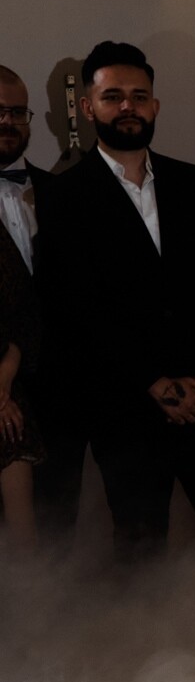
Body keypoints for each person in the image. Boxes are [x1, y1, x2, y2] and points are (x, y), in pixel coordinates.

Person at [37, 41, 195, 557]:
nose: (128, 106)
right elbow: (78, 308)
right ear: (88, 107)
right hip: (125, 409)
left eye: (139, 96)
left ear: (155, 106)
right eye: (113, 96)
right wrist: (155, 383)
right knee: (141, 556)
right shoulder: (63, 198)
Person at [0, 64, 49, 547]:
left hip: (57, 392)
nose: (8, 121)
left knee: (60, 527)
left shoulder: (60, 193)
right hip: (5, 389)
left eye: (17, 112)